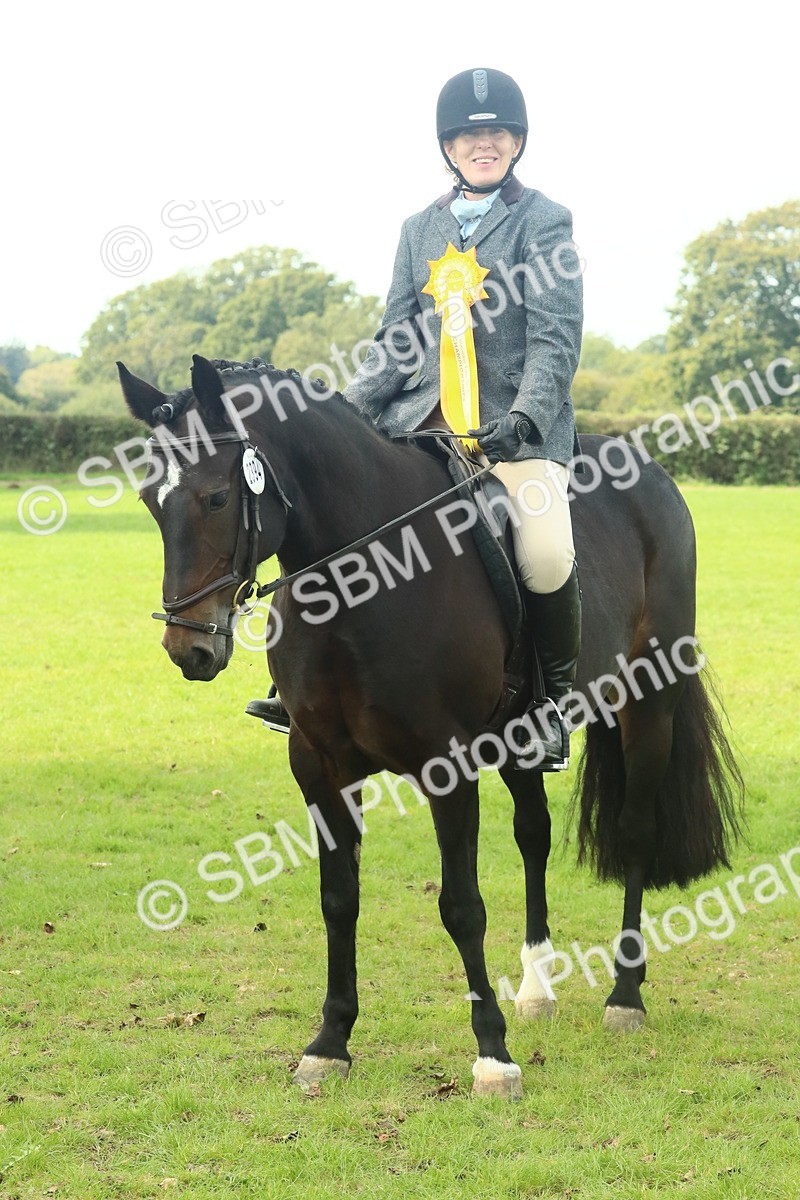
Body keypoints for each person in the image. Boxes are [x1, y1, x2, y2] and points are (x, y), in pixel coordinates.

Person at [248, 67, 583, 770]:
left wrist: (523, 419)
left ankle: (551, 706)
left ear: (517, 141)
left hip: (512, 435)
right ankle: (302, 686)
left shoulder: (544, 220)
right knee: (335, 524)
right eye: (468, 134)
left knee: (548, 553)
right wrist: (347, 418)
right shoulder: (418, 229)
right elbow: (395, 339)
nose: (482, 143)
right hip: (420, 431)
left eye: (495, 133)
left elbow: (555, 339)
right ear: (449, 146)